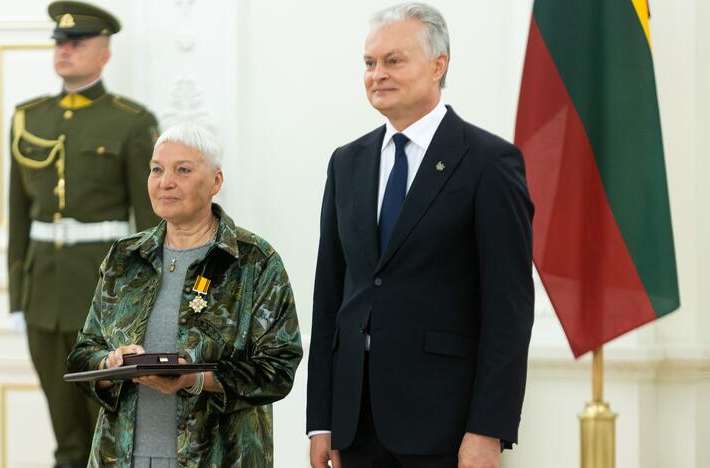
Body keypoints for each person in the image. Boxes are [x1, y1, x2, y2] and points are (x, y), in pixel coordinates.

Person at [306, 3, 534, 468]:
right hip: (355, 424)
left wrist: (488, 428)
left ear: (438, 65)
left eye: (393, 61)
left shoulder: (489, 162)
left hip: (446, 426)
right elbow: (330, 298)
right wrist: (321, 420)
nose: (377, 75)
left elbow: (508, 311)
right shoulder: (346, 162)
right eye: (369, 63)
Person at [66, 122, 303, 467]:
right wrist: (109, 364)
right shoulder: (125, 257)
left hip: (221, 456)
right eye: (157, 170)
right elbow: (83, 352)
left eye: (183, 170)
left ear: (216, 182)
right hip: (122, 455)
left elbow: (278, 369)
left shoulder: (254, 260)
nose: (166, 182)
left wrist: (195, 380)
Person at [7, 2, 160, 466]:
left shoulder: (131, 122)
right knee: (65, 433)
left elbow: (149, 224)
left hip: (103, 298)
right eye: (60, 42)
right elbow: (18, 216)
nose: (65, 50)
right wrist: (18, 297)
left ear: (104, 52)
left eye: (77, 42)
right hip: (43, 300)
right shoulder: (27, 117)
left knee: (107, 431)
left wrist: (144, 304)